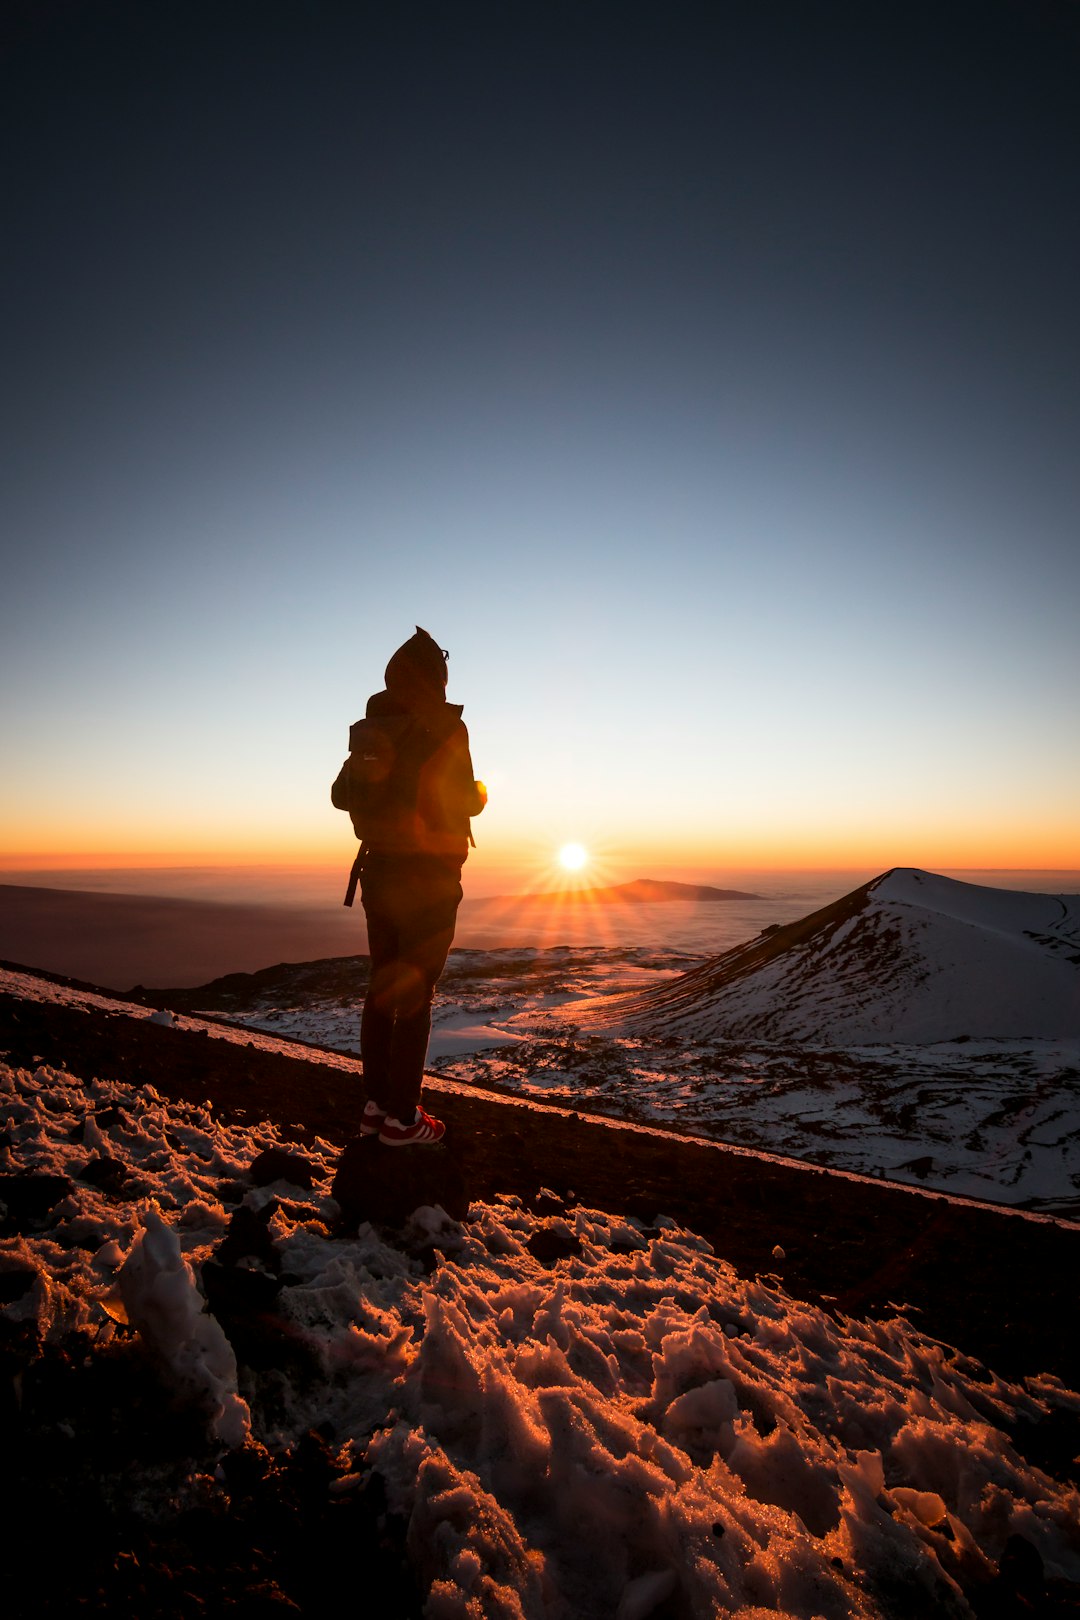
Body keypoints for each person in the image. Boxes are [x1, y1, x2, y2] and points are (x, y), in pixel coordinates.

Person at [340, 627, 486, 1146]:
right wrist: (480, 795)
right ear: (437, 681)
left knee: (382, 988)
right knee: (417, 995)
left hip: (378, 872)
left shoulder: (369, 726)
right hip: (428, 878)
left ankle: (376, 1108)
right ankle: (404, 1119)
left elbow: (340, 796)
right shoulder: (445, 727)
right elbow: (463, 800)